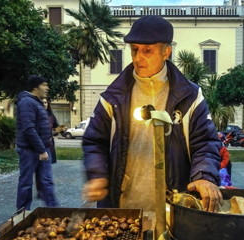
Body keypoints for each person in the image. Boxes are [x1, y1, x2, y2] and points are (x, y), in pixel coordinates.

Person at [82, 15, 222, 212]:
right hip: (124, 207)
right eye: (135, 50)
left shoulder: (190, 96)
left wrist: (204, 176)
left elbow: (205, 143)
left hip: (174, 207)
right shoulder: (113, 97)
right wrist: (97, 175)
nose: (138, 57)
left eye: (147, 50)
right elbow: (94, 141)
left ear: (166, 51)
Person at [15, 75, 58, 210]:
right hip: (30, 150)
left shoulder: (36, 102)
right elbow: (29, 128)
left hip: (43, 149)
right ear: (35, 87)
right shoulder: (27, 102)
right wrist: (41, 150)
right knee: (26, 183)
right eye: (44, 85)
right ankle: (22, 213)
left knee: (47, 181)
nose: (47, 88)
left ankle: (54, 210)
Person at [35, 99, 59, 200]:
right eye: (42, 103)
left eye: (46, 103)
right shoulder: (36, 115)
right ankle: (44, 195)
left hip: (48, 145)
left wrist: (57, 131)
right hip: (39, 145)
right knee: (40, 171)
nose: (44, 104)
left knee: (45, 172)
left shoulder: (50, 115)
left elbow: (55, 128)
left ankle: (46, 195)